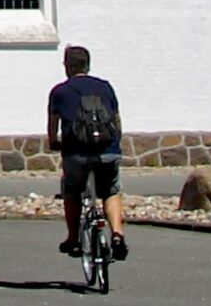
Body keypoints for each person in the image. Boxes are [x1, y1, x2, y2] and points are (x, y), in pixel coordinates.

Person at [47, 44, 127, 262]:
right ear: (88, 65)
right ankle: (117, 234)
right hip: (107, 151)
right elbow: (116, 120)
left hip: (76, 154)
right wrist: (115, 143)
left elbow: (53, 126)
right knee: (110, 191)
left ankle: (73, 238)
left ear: (67, 66)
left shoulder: (60, 92)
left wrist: (54, 143)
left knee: (71, 190)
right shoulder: (106, 87)